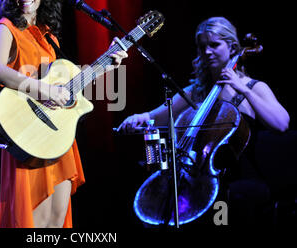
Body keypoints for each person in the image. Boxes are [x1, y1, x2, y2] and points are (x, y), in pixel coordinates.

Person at [0, 0, 127, 228]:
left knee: (56, 222)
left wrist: (106, 65)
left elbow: (68, 82)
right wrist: (43, 90)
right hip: (26, 133)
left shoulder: (47, 34)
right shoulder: (5, 28)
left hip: (56, 135)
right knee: (33, 223)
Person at [118, 16, 290, 224]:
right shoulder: (197, 91)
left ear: (233, 47)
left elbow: (281, 124)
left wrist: (242, 88)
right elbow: (154, 117)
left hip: (242, 177)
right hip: (199, 177)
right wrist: (137, 118)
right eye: (202, 46)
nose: (207, 52)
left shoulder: (253, 87)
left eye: (215, 45)